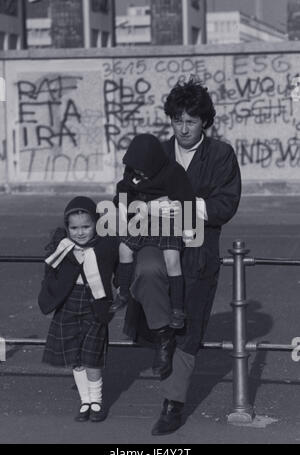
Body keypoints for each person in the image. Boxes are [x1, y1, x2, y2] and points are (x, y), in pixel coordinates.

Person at [123, 78, 242, 435]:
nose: (184, 128)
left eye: (191, 120)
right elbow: (127, 195)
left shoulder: (221, 154)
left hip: (198, 253)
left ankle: (172, 404)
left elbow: (226, 204)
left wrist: (182, 205)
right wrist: (143, 205)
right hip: (154, 243)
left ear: (205, 121)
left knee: (188, 331)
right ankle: (160, 335)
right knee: (144, 275)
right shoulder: (155, 151)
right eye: (177, 120)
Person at [38, 196, 118, 423]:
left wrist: (122, 289)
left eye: (86, 226)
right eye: (74, 227)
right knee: (75, 356)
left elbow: (121, 265)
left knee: (92, 356)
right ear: (67, 227)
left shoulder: (106, 245)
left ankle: (97, 401)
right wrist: (50, 295)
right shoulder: (62, 246)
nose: (80, 232)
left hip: (95, 304)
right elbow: (50, 272)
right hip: (68, 303)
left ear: (96, 224)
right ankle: (84, 402)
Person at [112, 134, 197, 344]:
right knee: (124, 248)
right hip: (142, 220)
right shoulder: (132, 172)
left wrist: (188, 229)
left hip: (168, 223)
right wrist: (128, 209)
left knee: (172, 260)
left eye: (142, 169)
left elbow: (187, 199)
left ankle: (177, 309)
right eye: (134, 168)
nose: (137, 173)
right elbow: (123, 192)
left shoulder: (173, 173)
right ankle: (123, 292)